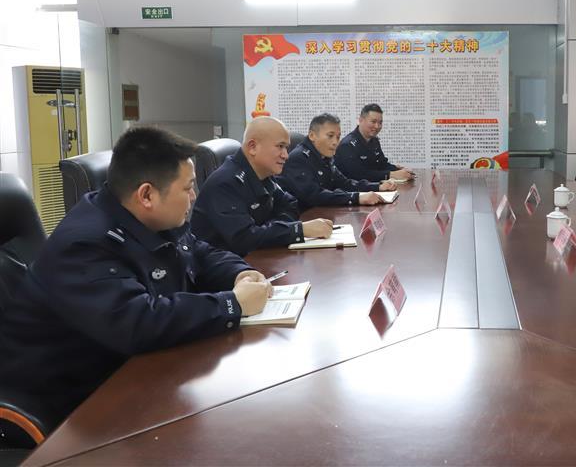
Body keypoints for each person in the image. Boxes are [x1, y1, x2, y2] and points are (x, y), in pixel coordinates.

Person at [0, 126, 273, 429]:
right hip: (69, 405)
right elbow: (139, 323)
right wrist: (231, 304)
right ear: (146, 195)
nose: (194, 196)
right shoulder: (84, 245)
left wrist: (239, 272)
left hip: (127, 371)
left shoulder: (150, 218)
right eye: (187, 188)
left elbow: (197, 251)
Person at [191, 117, 332, 256]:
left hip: (255, 257)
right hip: (225, 266)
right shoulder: (224, 184)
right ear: (253, 147)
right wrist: (298, 230)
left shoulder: (262, 173)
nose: (286, 155)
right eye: (280, 146)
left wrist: (272, 229)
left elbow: (290, 204)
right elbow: (244, 238)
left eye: (286, 148)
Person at [279, 113, 397, 207]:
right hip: (304, 218)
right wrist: (356, 198)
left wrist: (377, 186)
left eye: (338, 136)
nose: (335, 142)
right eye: (330, 136)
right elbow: (314, 196)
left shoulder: (324, 156)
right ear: (312, 136)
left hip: (322, 214)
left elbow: (344, 183)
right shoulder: (298, 158)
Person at [335, 103, 415, 182]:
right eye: (373, 121)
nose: (377, 126)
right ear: (361, 120)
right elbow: (358, 175)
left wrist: (399, 170)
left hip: (372, 187)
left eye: (380, 122)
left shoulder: (374, 141)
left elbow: (382, 164)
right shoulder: (347, 145)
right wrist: (391, 174)